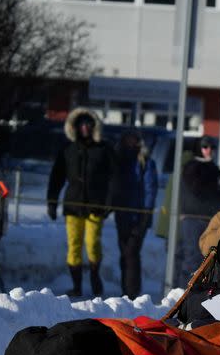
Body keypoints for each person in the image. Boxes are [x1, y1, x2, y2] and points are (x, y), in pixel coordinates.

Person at [47, 108, 114, 298]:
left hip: (96, 205)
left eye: (88, 124)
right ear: (75, 127)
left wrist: (109, 203)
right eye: (81, 124)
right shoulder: (67, 149)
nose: (84, 127)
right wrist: (52, 202)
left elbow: (113, 178)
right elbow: (56, 177)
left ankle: (95, 277)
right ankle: (76, 286)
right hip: (73, 205)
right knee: (74, 245)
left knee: (92, 243)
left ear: (93, 126)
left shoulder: (104, 149)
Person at [112, 129, 157, 300]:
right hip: (122, 214)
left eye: (135, 141)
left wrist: (145, 217)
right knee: (124, 253)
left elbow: (150, 191)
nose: (132, 144)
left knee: (131, 253)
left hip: (139, 216)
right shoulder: (120, 160)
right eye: (128, 141)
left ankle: (131, 293)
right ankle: (126, 290)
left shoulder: (145, 163)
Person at [179, 135, 220, 283]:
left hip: (211, 218)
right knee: (192, 258)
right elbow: (196, 189)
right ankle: (184, 292)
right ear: (199, 149)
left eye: (212, 148)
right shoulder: (192, 166)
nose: (209, 151)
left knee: (209, 258)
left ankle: (201, 292)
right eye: (205, 147)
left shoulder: (214, 168)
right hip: (192, 217)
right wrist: (217, 184)